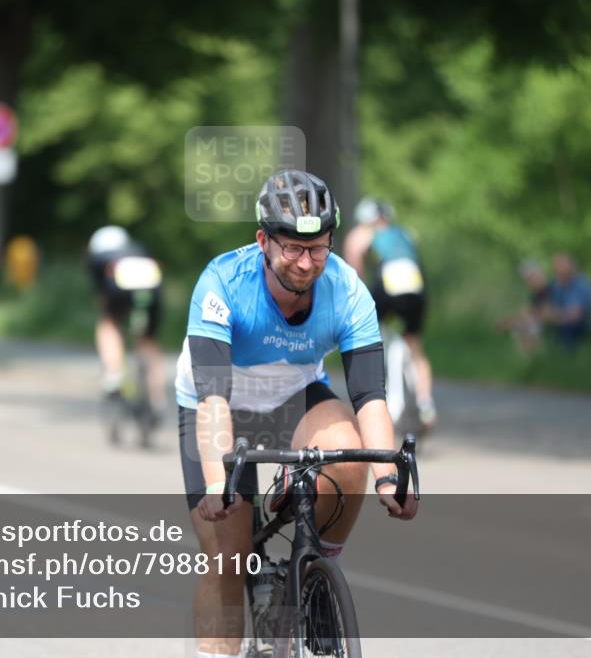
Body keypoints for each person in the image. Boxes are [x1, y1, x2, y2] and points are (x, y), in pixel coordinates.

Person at [177, 171, 417, 658]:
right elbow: (214, 399)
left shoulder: (348, 290)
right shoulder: (222, 282)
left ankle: (309, 573)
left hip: (293, 393)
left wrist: (390, 477)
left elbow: (370, 395)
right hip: (221, 404)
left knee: (349, 458)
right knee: (228, 556)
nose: (307, 263)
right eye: (292, 248)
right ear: (263, 240)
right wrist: (216, 479)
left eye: (319, 248)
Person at [343, 197, 436, 426]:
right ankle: (426, 403)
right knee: (414, 344)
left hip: (388, 287)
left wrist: (358, 293)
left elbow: (354, 260)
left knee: (372, 334)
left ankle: (389, 402)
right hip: (416, 287)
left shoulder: (364, 233)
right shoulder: (406, 233)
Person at [86, 225, 166, 420]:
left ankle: (113, 374)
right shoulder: (138, 249)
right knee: (148, 341)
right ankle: (157, 399)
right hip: (151, 283)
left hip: (120, 283)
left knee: (109, 324)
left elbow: (102, 294)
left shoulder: (98, 257)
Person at [545, 253, 591, 352]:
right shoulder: (557, 286)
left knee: (566, 329)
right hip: (569, 320)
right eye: (556, 268)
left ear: (571, 267)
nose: (559, 271)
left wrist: (555, 315)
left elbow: (575, 316)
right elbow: (550, 309)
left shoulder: (581, 284)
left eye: (562, 267)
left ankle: (569, 361)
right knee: (545, 328)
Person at [496, 259, 553, 354]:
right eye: (528, 279)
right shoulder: (536, 294)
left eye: (532, 277)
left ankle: (534, 357)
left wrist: (516, 321)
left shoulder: (551, 289)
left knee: (523, 326)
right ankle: (528, 358)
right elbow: (532, 311)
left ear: (540, 274)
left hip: (550, 322)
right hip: (538, 321)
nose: (530, 281)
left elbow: (547, 313)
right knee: (510, 323)